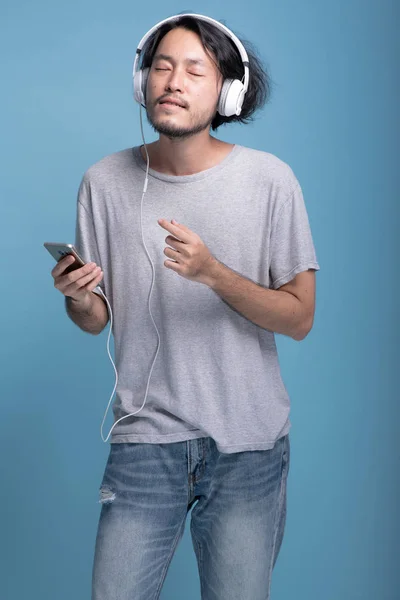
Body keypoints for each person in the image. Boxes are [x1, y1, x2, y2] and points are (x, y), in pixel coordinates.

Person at [51, 13, 320, 600]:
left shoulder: (272, 182)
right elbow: (98, 317)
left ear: (227, 90)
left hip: (247, 448)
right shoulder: (103, 181)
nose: (172, 80)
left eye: (194, 70)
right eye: (161, 67)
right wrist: (79, 299)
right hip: (145, 440)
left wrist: (213, 274)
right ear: (141, 83)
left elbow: (300, 317)